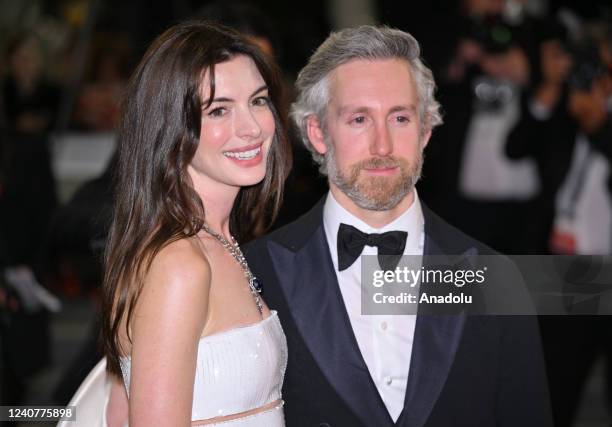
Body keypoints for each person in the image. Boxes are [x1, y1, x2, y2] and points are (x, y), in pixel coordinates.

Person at [245, 25, 553, 426]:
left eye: (400, 118)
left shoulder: (495, 279)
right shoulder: (256, 273)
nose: (383, 146)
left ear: (425, 130)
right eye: (359, 119)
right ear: (318, 133)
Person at [101, 21, 291, 426]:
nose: (253, 128)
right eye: (219, 109)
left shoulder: (217, 243)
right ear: (171, 125)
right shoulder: (179, 264)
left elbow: (117, 413)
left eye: (258, 101)